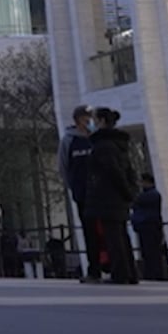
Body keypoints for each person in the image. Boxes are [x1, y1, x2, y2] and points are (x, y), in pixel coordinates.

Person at [83, 108, 140, 285]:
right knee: (121, 235)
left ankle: (120, 273)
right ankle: (130, 272)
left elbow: (113, 171)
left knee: (113, 237)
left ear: (101, 121)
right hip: (118, 197)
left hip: (107, 197)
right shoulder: (119, 144)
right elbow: (127, 170)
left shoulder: (103, 146)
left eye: (94, 120)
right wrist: (130, 191)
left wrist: (125, 190)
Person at [60, 105, 98, 280]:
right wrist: (73, 186)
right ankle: (93, 268)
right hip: (82, 192)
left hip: (101, 192)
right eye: (85, 118)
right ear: (78, 120)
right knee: (89, 230)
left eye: (91, 118)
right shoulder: (68, 140)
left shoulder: (96, 138)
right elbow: (63, 166)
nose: (88, 121)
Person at [131, 173, 168, 282]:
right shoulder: (152, 195)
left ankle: (153, 274)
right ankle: (154, 273)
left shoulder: (150, 195)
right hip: (148, 225)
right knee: (150, 252)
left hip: (149, 225)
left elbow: (135, 202)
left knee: (151, 252)